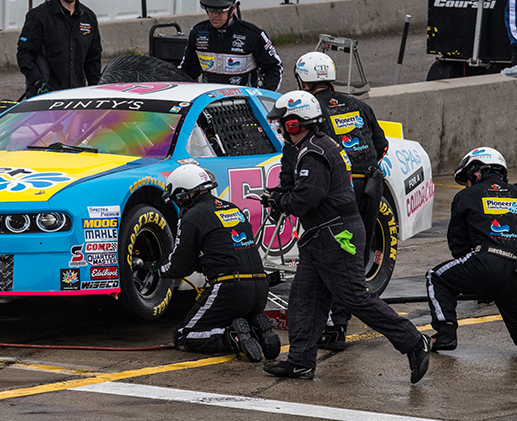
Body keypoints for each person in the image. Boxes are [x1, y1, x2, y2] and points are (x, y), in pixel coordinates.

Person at [261, 91, 430, 383]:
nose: (280, 130)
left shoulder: (314, 152)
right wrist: (281, 196)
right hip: (320, 235)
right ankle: (300, 362)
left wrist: (278, 201)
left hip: (337, 235)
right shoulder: (315, 146)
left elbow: (305, 200)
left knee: (355, 297)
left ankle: (413, 341)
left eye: (283, 124)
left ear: (295, 124)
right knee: (304, 298)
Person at [293, 51, 388, 350]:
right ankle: (340, 323)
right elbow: (381, 145)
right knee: (356, 256)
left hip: (340, 191)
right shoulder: (359, 105)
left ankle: (333, 326)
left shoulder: (309, 109)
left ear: (303, 81)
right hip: (371, 188)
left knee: (330, 253)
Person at [426, 147, 517, 363]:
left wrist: (478, 279)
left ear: (476, 172)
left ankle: (445, 332)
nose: (466, 184)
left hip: (484, 262)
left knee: (435, 277)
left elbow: (457, 242)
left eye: (467, 178)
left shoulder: (466, 196)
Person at [150, 164, 281, 362]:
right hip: (261, 287)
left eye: (177, 198)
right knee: (236, 319)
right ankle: (256, 327)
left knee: (184, 336)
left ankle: (231, 337)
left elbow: (178, 265)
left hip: (230, 288)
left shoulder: (191, 216)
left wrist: (156, 268)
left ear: (184, 195)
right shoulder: (233, 209)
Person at [177, 0, 283, 91]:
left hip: (244, 102)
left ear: (234, 8)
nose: (214, 15)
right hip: (209, 101)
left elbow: (273, 68)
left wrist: (264, 98)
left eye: (220, 10)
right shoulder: (197, 32)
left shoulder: (253, 35)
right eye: (210, 10)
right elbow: (187, 70)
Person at [17, 0, 102, 98]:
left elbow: (93, 59)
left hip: (77, 95)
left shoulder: (88, 17)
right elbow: (24, 54)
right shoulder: (38, 16)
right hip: (45, 95)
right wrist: (39, 83)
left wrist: (96, 90)